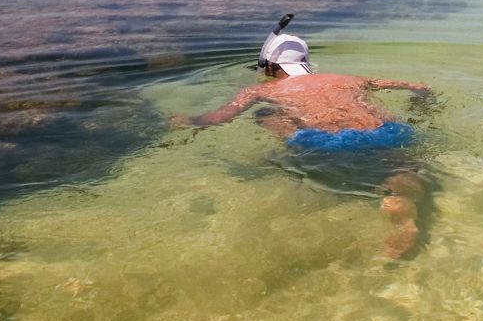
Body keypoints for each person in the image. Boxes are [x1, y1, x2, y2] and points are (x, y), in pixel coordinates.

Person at [172, 32, 434, 259]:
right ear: (305, 61)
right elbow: (420, 87)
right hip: (389, 131)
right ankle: (403, 202)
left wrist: (188, 120)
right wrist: (420, 108)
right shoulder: (349, 78)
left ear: (272, 66)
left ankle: (387, 197)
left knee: (264, 115)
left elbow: (221, 118)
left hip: (330, 143)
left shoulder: (260, 91)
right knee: (396, 167)